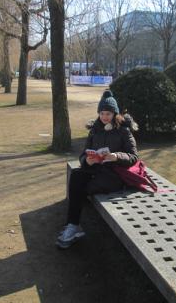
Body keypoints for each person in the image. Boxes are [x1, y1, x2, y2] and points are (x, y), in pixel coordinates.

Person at [56, 90, 139, 249]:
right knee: (76, 176)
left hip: (115, 174)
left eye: (108, 113)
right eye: (102, 113)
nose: (104, 117)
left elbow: (134, 156)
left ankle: (73, 226)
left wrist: (116, 156)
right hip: (96, 170)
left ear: (115, 113)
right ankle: (73, 226)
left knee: (80, 189)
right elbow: (83, 154)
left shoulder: (124, 130)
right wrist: (87, 160)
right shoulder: (95, 129)